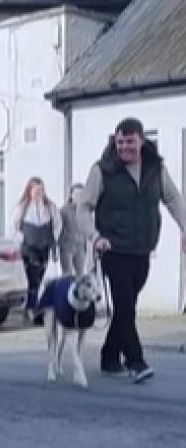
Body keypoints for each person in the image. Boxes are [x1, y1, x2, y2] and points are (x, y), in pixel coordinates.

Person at [78, 118, 186, 383]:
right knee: (125, 308)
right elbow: (84, 207)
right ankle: (136, 361)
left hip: (142, 247)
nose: (124, 146)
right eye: (120, 141)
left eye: (130, 141)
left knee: (129, 305)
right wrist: (95, 237)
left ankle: (109, 356)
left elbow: (172, 198)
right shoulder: (102, 170)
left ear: (141, 140)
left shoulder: (155, 168)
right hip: (113, 248)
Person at [11, 177, 61, 320]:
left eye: (41, 190)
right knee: (33, 278)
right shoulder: (23, 207)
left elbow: (58, 224)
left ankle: (31, 307)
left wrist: (54, 239)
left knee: (39, 277)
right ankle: (32, 308)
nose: (39, 193)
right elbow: (14, 226)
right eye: (36, 190)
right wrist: (22, 239)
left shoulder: (50, 207)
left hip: (44, 246)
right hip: (29, 247)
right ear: (30, 191)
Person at [59, 184, 86, 276]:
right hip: (67, 247)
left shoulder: (84, 210)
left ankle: (78, 290)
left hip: (81, 246)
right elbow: (58, 229)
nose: (79, 197)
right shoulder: (64, 210)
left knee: (81, 274)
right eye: (77, 194)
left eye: (81, 194)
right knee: (68, 275)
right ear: (71, 195)